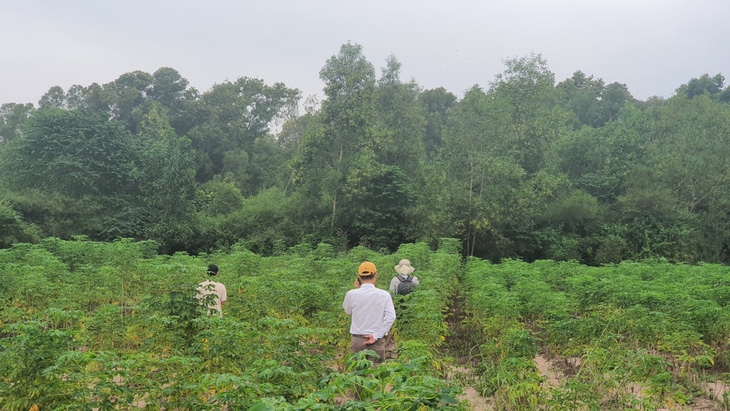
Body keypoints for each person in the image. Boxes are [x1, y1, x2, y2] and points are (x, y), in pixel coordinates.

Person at [342, 261, 396, 364]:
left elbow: (347, 311)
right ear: (375, 274)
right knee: (374, 375)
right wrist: (376, 335)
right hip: (377, 341)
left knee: (358, 374)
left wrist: (356, 290)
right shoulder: (384, 295)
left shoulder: (351, 294)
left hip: (357, 340)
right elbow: (391, 317)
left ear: (359, 276)